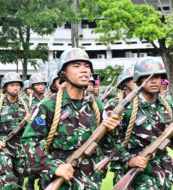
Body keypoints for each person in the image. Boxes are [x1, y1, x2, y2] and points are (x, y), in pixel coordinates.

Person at [21, 48, 121, 189]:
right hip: (61, 177)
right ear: (63, 73)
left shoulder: (95, 105)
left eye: (87, 66)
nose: (84, 70)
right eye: (76, 66)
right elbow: (29, 141)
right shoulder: (49, 105)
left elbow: (106, 147)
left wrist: (111, 131)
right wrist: (52, 167)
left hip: (90, 179)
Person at [110, 57, 173, 189]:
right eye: (148, 77)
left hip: (163, 173)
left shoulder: (167, 106)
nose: (154, 81)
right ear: (138, 80)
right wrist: (129, 160)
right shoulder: (122, 106)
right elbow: (108, 142)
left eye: (158, 77)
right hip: (138, 174)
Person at [0, 72, 30, 190]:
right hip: (4, 146)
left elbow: (32, 129)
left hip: (20, 148)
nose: (16, 88)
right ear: (5, 87)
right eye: (12, 85)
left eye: (18, 85)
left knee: (19, 181)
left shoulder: (25, 106)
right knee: (7, 181)